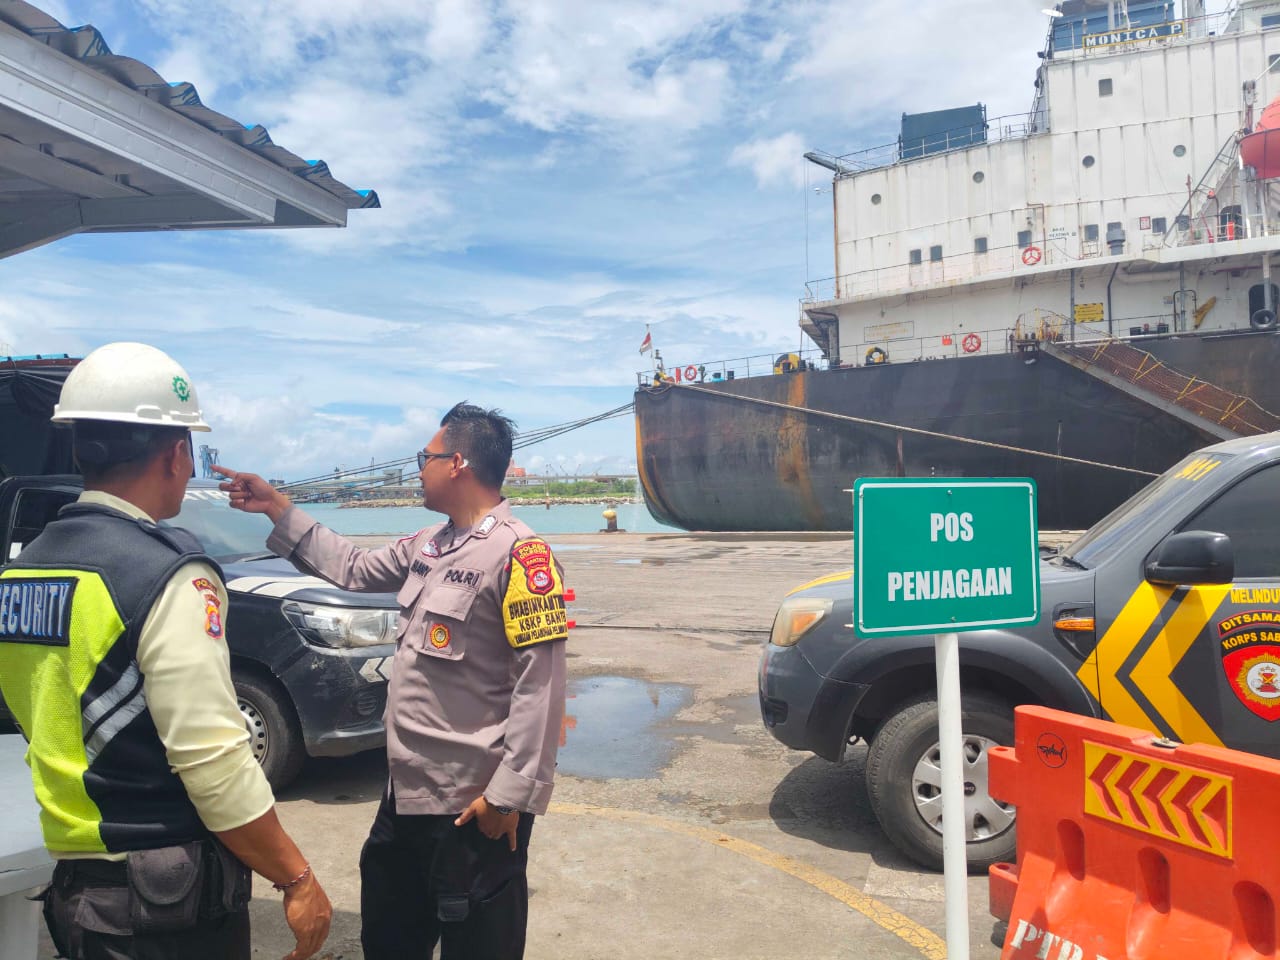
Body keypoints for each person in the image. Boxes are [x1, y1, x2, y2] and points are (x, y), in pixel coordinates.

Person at [0, 342, 332, 960]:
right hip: (165, 907)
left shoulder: (23, 572)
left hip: (78, 893)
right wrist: (295, 877)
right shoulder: (165, 576)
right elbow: (214, 761)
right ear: (177, 454)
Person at [216, 402, 568, 960]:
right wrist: (278, 508)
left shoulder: (521, 557)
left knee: (479, 945)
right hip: (404, 794)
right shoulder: (431, 543)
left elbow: (540, 688)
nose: (418, 469)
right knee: (389, 937)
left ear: (457, 463)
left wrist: (507, 800)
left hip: (472, 806)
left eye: (425, 457)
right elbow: (353, 568)